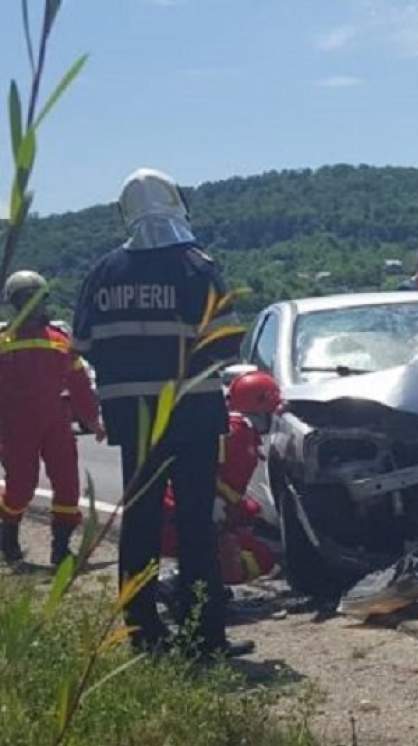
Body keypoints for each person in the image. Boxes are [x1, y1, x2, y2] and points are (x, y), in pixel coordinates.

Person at [72, 168, 252, 658]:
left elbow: (83, 344)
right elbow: (228, 344)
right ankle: (205, 636)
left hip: (134, 422)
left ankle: (142, 634)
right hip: (193, 416)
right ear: (176, 204)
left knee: (141, 522)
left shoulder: (102, 273)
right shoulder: (197, 266)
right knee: (196, 523)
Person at [0, 271, 105, 565]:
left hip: (56, 422)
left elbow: (80, 385)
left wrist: (93, 420)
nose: (31, 306)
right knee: (21, 486)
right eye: (24, 299)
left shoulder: (60, 341)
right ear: (14, 303)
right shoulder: (3, 341)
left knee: (68, 485)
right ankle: (7, 537)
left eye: (35, 298)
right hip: (15, 426)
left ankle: (61, 549)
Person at [160, 371, 280, 587]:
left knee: (248, 518)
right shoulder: (238, 433)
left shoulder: (234, 428)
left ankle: (195, 579)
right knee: (260, 558)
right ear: (261, 407)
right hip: (179, 513)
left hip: (178, 508)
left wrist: (246, 510)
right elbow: (210, 479)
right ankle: (187, 584)